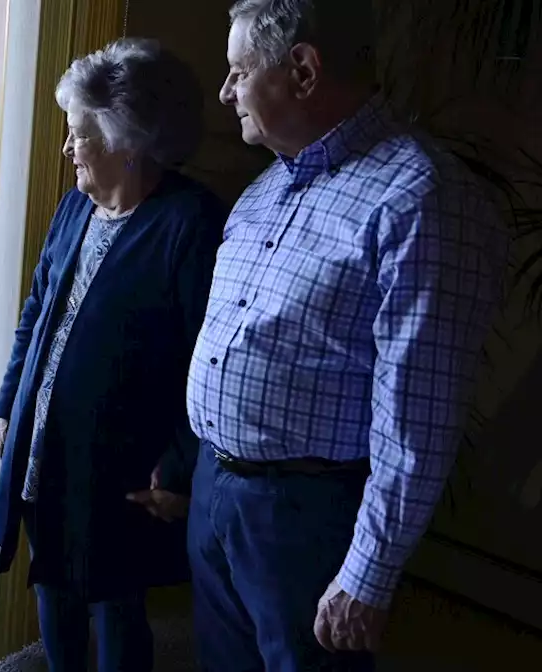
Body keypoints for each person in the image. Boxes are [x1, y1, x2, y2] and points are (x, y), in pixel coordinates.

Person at [186, 1, 510, 670]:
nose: (225, 92)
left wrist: (369, 570)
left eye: (239, 72)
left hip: (306, 516)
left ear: (302, 71)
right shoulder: (266, 189)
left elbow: (417, 415)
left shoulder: (421, 198)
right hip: (215, 488)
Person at [0, 38, 226, 672]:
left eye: (79, 134)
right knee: (53, 583)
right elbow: (36, 312)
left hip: (122, 461)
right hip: (47, 444)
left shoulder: (189, 222)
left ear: (125, 139)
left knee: (116, 601)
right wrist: (9, 406)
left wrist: (180, 463)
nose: (67, 149)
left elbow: (211, 355)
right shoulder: (75, 206)